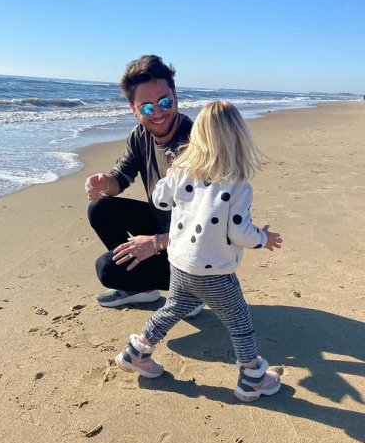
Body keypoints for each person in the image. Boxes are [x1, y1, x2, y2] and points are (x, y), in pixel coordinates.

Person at [115, 101, 283, 402]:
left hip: (179, 263)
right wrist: (263, 238)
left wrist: (174, 170)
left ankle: (136, 352)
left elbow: (160, 199)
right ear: (238, 137)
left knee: (173, 308)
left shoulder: (182, 171)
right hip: (214, 271)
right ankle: (252, 377)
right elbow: (239, 233)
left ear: (198, 137)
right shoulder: (238, 184)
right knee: (239, 321)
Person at [85, 55, 203, 316]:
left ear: (175, 95)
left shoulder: (198, 144)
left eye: (164, 102)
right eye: (147, 108)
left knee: (107, 268)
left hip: (197, 250)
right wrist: (103, 182)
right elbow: (120, 178)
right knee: (100, 209)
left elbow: (209, 227)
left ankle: (191, 293)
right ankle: (143, 289)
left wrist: (156, 243)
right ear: (133, 109)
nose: (158, 113)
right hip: (164, 229)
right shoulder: (140, 136)